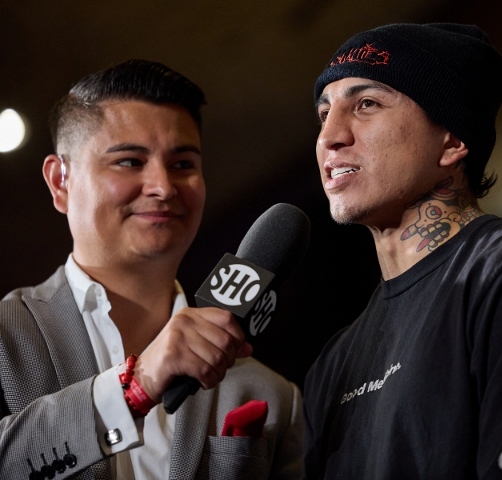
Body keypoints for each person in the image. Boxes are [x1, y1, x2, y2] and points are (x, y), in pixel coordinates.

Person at [303, 23, 502, 479]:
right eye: (324, 114)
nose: (329, 136)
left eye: (366, 104)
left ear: (453, 140)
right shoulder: (335, 361)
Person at [0, 60, 303, 479]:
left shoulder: (272, 394)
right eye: (129, 161)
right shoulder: (7, 337)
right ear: (60, 181)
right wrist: (135, 385)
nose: (163, 187)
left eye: (183, 164)